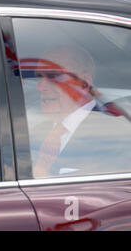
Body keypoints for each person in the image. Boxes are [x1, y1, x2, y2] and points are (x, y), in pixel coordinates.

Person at [29, 46, 131, 177]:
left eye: (53, 76)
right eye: (39, 78)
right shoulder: (34, 133)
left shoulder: (118, 135)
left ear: (84, 82)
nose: (40, 87)